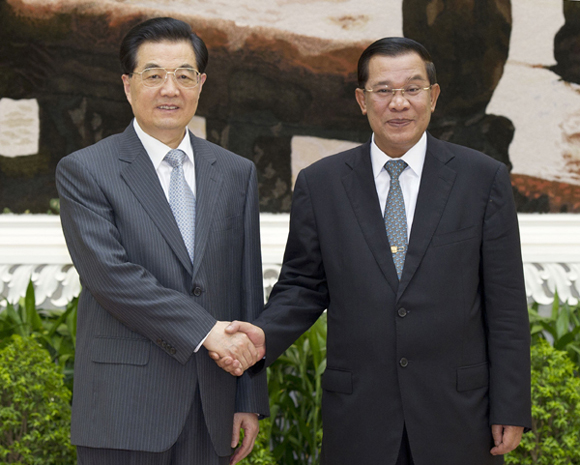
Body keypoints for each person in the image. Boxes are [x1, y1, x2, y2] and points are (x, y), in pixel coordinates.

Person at [214, 37, 532, 465]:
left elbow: (506, 304)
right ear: (362, 100)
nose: (398, 103)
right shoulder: (321, 184)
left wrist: (510, 405)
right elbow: (303, 287)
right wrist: (262, 336)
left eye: (412, 89)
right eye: (384, 90)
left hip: (458, 416)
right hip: (361, 417)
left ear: (433, 96)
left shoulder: (483, 179)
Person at [56, 17, 267, 465]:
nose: (170, 89)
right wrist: (206, 330)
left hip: (212, 404)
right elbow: (111, 277)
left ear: (201, 84)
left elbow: (247, 289)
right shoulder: (86, 169)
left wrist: (247, 394)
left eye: (184, 76)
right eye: (153, 75)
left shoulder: (236, 172)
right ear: (128, 85)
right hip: (125, 407)